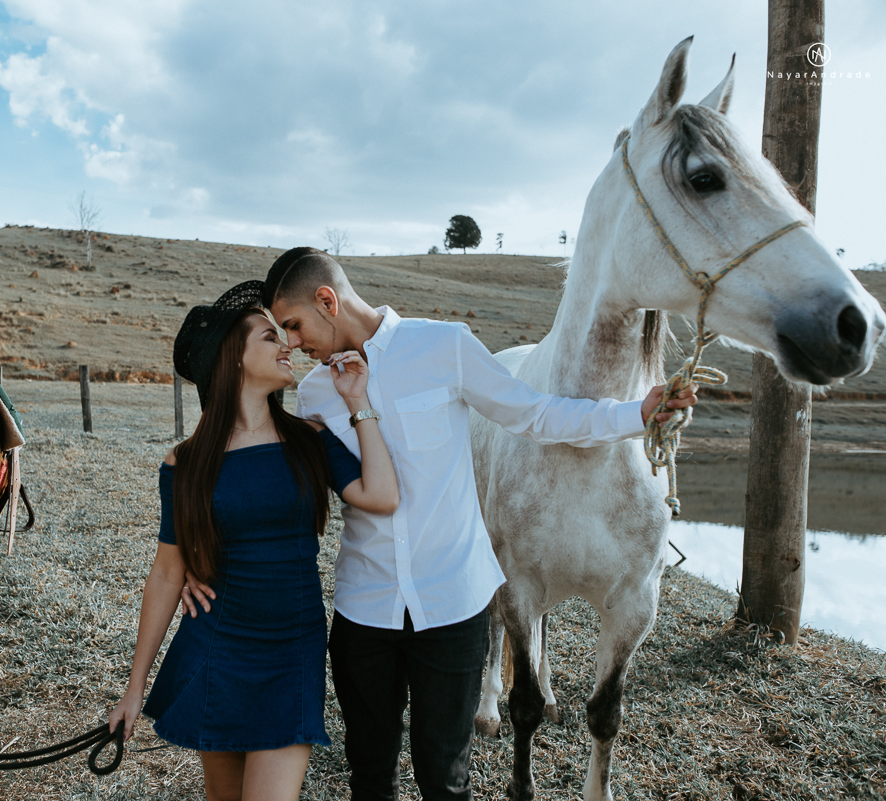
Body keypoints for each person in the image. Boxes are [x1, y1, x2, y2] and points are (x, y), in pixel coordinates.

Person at [183, 249, 697, 801]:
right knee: (371, 776)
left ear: (327, 301)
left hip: (453, 609)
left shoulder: (445, 347)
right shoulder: (313, 393)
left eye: (293, 324)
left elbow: (537, 414)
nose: (291, 342)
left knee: (446, 782)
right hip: (365, 613)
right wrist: (202, 553)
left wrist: (633, 416)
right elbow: (258, 466)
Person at [109, 279, 399, 801]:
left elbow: (381, 495)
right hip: (217, 646)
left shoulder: (308, 438)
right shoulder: (186, 463)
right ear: (233, 361)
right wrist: (135, 690)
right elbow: (167, 572)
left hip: (293, 650)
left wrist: (358, 403)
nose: (288, 343)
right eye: (270, 337)